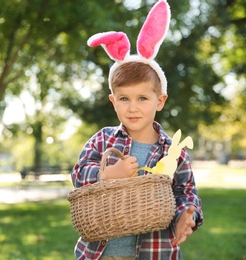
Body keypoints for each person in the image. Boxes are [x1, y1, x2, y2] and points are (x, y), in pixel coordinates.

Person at [70, 1, 203, 259]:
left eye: (142, 98)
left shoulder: (173, 152)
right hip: (102, 252)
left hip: (155, 252)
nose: (133, 108)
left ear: (160, 101)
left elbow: (186, 192)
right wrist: (108, 173)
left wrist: (188, 214)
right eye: (124, 99)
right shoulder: (103, 140)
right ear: (113, 101)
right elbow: (78, 174)